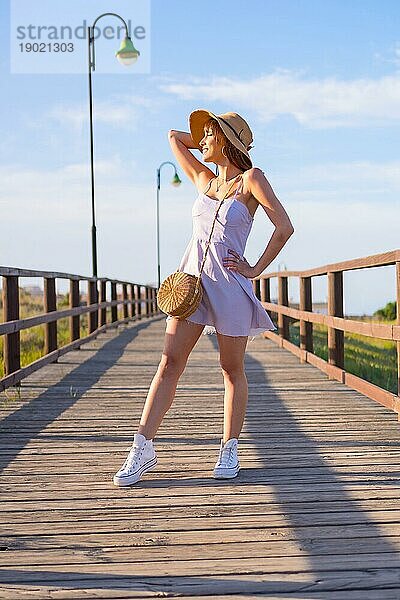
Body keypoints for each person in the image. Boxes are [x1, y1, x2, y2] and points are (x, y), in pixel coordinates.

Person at [113, 109, 294, 487]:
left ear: (228, 141)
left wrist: (255, 267)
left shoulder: (251, 180)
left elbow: (284, 226)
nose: (204, 140)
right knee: (169, 361)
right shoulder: (204, 181)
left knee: (231, 369)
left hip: (228, 284)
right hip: (191, 286)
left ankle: (229, 446)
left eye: (211, 135)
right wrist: (209, 139)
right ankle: (142, 447)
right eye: (205, 135)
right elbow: (173, 137)